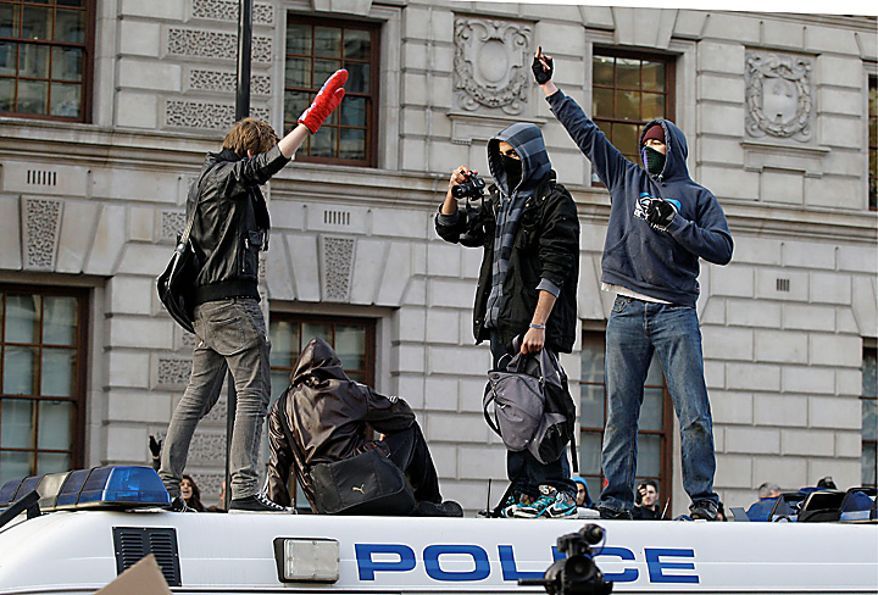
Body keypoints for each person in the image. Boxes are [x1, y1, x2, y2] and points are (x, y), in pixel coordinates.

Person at [533, 47, 733, 522]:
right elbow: (587, 134)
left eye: (659, 143)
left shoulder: (697, 196)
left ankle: (703, 500)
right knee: (619, 413)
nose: (651, 149)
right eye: (646, 143)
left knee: (693, 410)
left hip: (675, 313)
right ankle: (617, 501)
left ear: (675, 148)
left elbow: (721, 248)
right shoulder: (625, 177)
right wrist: (548, 88)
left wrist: (676, 224)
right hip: (625, 310)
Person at [158, 70, 349, 513]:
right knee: (254, 392)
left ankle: (166, 482)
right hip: (233, 304)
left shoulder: (205, 179)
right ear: (247, 150)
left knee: (198, 395)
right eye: (255, 157)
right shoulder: (226, 176)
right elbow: (267, 164)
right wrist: (311, 120)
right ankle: (244, 489)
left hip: (209, 308)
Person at [434, 120, 580, 518]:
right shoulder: (500, 202)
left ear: (532, 155)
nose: (508, 162)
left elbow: (556, 266)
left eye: (514, 155)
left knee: (541, 407)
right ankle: (524, 489)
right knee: (514, 411)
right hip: (499, 319)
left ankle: (555, 486)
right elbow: (452, 229)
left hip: (531, 323)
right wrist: (452, 192)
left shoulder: (554, 200)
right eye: (501, 156)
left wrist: (539, 324)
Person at [266, 337, 462, 517]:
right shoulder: (349, 391)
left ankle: (427, 503)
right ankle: (430, 502)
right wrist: (383, 431)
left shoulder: (282, 405)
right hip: (368, 483)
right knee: (410, 428)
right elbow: (404, 416)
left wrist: (276, 511)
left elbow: (277, 465)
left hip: (326, 499)